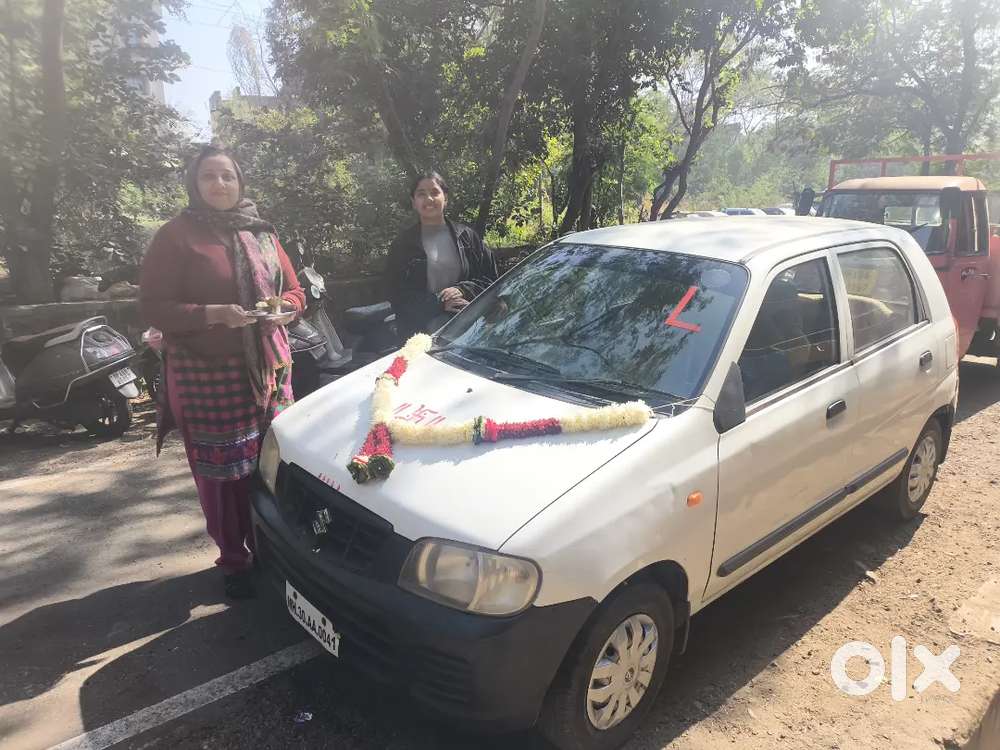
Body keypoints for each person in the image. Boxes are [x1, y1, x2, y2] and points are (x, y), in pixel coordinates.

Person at [139, 144, 305, 599]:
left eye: (228, 176)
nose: (220, 184)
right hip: (206, 374)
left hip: (269, 367)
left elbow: (293, 290)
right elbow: (153, 306)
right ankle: (234, 559)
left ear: (240, 182)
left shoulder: (263, 233)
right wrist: (213, 312)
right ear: (194, 183)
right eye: (210, 176)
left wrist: (284, 310)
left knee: (270, 463)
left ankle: (269, 545)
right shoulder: (176, 236)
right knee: (222, 473)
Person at [387, 171, 498, 339]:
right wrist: (439, 302)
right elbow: (396, 296)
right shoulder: (402, 246)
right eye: (421, 194)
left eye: (434, 192)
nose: (429, 199)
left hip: (471, 330)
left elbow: (492, 280)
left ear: (445, 198)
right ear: (413, 202)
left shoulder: (467, 237)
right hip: (419, 337)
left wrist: (462, 289)